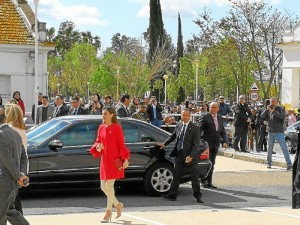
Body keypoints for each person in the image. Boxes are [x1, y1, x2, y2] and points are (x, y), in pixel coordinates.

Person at [89, 107, 130, 223]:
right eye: (103, 114)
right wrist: (98, 147)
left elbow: (121, 144)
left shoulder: (117, 128)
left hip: (114, 161)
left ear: (112, 115)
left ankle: (108, 212)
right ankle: (117, 205)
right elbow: (97, 141)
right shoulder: (101, 127)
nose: (103, 116)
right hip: (104, 160)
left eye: (105, 114)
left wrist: (125, 158)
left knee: (109, 186)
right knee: (103, 187)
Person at [158, 109, 203, 203]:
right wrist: (164, 144)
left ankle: (198, 196)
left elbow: (196, 144)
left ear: (190, 116)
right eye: (183, 115)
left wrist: (191, 156)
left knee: (194, 177)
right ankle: (172, 195)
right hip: (179, 154)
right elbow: (173, 136)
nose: (184, 117)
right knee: (176, 175)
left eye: (186, 115)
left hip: (190, 156)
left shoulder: (195, 127)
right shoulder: (179, 125)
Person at [0, 107, 30, 225]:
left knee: (2, 214)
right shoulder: (15, 133)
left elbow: (7, 160)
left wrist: (19, 176)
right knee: (10, 211)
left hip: (4, 183)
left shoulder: (1, 135)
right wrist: (22, 175)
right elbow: (24, 156)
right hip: (12, 183)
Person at [198, 102, 228, 189]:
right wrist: (197, 141)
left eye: (214, 107)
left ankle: (209, 182)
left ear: (218, 109)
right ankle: (204, 181)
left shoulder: (220, 118)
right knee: (207, 162)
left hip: (215, 143)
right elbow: (199, 129)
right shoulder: (205, 116)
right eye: (211, 107)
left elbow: (222, 131)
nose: (212, 109)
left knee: (212, 163)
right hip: (206, 144)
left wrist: (225, 141)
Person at [261, 97, 293, 170]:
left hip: (279, 131)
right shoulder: (268, 109)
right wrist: (267, 110)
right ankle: (269, 163)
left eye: (273, 101)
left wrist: (274, 111)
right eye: (270, 101)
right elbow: (261, 116)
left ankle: (289, 165)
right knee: (269, 148)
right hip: (270, 131)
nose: (271, 102)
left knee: (284, 148)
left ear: (277, 102)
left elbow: (282, 117)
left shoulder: (281, 109)